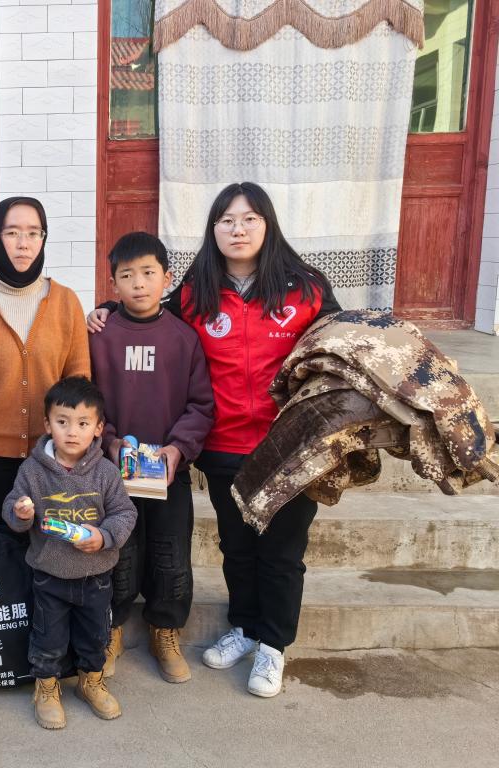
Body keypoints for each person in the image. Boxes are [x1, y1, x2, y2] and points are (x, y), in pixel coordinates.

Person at [88, 182, 341, 697]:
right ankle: (244, 627)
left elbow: (340, 348)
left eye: (249, 219)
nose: (238, 229)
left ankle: (273, 645)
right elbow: (146, 308)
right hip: (225, 445)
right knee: (237, 547)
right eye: (226, 220)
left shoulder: (306, 288)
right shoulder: (196, 290)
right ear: (213, 229)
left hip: (290, 446)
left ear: (267, 224)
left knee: (282, 552)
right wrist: (106, 310)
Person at [88, 232, 213, 684]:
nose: (138, 284)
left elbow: (201, 405)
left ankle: (165, 629)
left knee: (170, 553)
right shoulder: (99, 336)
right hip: (112, 473)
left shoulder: (183, 338)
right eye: (127, 275)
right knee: (117, 553)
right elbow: (87, 399)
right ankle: (112, 629)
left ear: (167, 277)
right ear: (113, 283)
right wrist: (109, 442)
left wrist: (178, 448)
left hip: (167, 473)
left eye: (148, 273)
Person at [2, 376, 137, 730]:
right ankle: (46, 688)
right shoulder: (32, 471)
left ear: (98, 428)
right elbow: (12, 507)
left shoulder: (106, 473)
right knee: (48, 636)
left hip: (96, 576)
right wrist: (20, 513)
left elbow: (125, 513)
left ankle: (91, 682)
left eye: (83, 423)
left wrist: (104, 537)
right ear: (48, 424)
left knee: (96, 636)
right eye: (62, 422)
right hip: (50, 575)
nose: (72, 432)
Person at [0, 197, 90, 525]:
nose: (23, 244)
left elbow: (80, 383)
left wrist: (75, 451)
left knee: (52, 547)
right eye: (12, 233)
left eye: (33, 233)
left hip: (54, 454)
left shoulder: (66, 302)